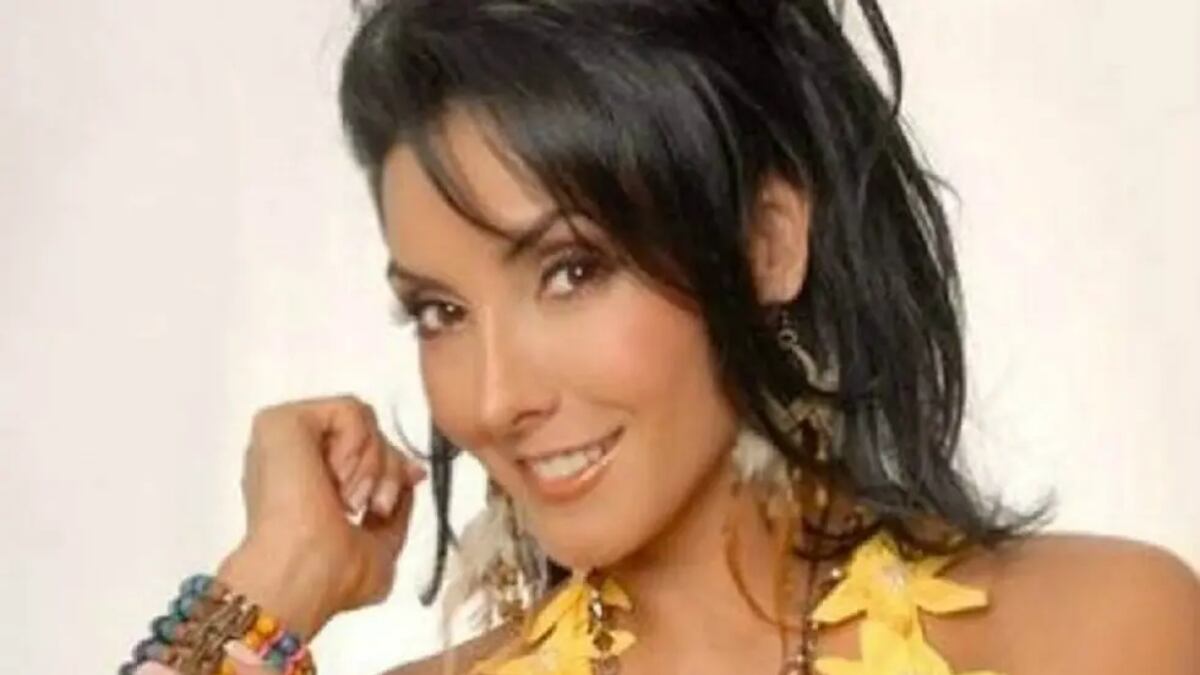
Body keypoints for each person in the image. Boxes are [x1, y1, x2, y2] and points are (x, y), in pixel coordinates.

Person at [121, 1, 1200, 674]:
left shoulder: (1101, 635)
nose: (492, 399)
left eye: (571, 270)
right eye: (441, 311)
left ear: (767, 244)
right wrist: (276, 577)